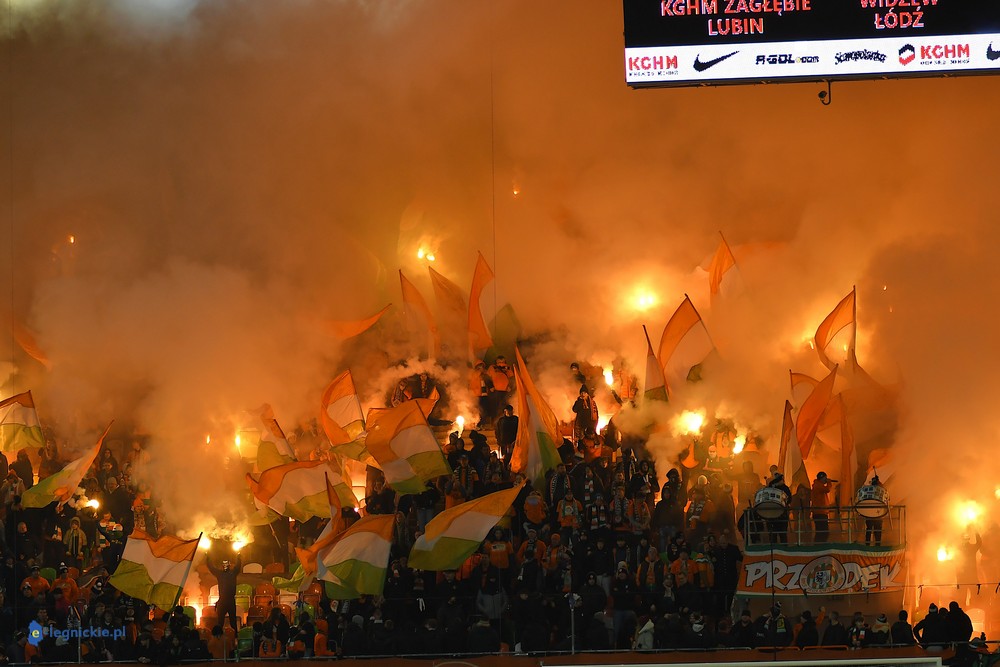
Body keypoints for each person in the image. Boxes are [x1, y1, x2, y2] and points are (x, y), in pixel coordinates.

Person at [206, 552, 243, 631]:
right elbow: (211, 568)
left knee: (231, 621)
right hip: (224, 601)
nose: (225, 566)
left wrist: (238, 558)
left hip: (229, 601)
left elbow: (238, 567)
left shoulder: (232, 573)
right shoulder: (222, 573)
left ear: (229, 565)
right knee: (221, 622)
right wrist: (208, 558)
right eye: (224, 564)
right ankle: (221, 635)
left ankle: (234, 635)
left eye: (226, 564)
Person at [811, 472, 837, 543]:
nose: (826, 480)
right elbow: (827, 489)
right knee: (823, 532)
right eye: (825, 478)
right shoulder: (818, 486)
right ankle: (819, 545)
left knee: (821, 532)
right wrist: (829, 483)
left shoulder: (817, 485)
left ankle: (819, 544)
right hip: (820, 512)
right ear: (822, 478)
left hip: (820, 512)